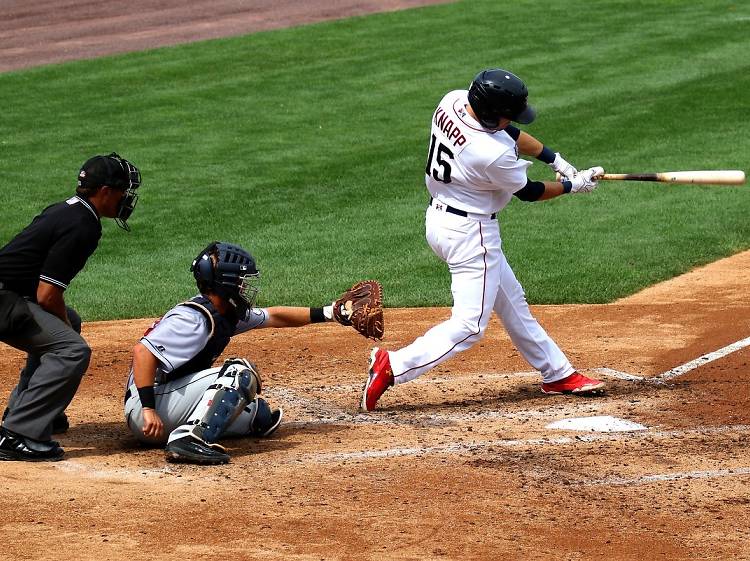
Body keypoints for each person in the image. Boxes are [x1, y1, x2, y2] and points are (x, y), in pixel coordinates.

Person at [361, 68, 606, 411]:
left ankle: (557, 373)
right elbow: (531, 191)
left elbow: (511, 132)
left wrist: (555, 159)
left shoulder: (453, 100)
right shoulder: (489, 154)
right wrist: (573, 186)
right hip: (471, 234)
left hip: (440, 219)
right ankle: (394, 366)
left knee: (511, 300)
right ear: (492, 114)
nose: (511, 121)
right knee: (471, 325)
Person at [124, 241, 360, 465]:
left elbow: (274, 316)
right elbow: (142, 352)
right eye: (240, 281)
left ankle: (191, 430)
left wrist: (331, 313)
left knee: (255, 413)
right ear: (224, 284)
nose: (244, 287)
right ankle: (188, 439)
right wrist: (148, 410)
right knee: (240, 373)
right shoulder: (193, 319)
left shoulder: (224, 312)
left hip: (167, 400)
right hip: (148, 409)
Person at [0, 152, 141, 461]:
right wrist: (62, 325)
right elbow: (47, 295)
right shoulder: (83, 226)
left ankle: (30, 409)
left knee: (70, 323)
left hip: (9, 295)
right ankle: (18, 434)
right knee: (72, 349)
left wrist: (65, 322)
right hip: (4, 300)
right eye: (123, 192)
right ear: (105, 191)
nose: (126, 199)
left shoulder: (69, 210)